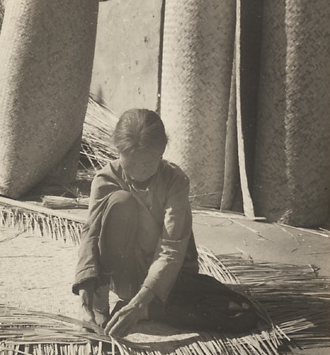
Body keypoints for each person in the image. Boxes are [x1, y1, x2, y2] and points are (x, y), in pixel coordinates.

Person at [72, 108, 257, 338]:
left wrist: (139, 305)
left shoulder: (175, 181)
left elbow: (171, 248)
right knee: (121, 201)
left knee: (243, 313)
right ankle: (102, 305)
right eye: (132, 164)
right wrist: (85, 299)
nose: (140, 171)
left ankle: (149, 309)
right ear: (119, 152)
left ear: (162, 151)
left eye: (148, 163)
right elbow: (90, 235)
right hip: (126, 276)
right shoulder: (106, 179)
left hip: (170, 276)